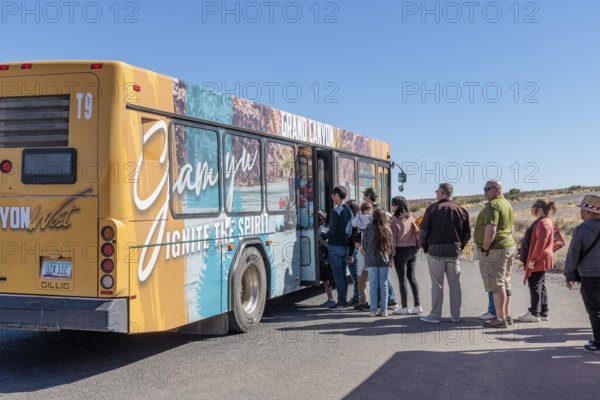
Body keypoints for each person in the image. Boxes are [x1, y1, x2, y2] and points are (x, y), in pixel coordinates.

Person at [418, 183, 471, 323]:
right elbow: (467, 233)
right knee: (455, 284)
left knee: (437, 285)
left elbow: (423, 232)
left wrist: (425, 247)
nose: (436, 194)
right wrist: (461, 247)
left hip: (435, 252)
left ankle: (435, 315)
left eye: (437, 191)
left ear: (441, 193)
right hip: (454, 252)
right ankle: (456, 316)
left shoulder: (432, 209)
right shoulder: (461, 209)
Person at [474, 180, 516, 329]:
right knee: (505, 282)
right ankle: (506, 315)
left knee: (497, 284)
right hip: (507, 247)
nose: (485, 192)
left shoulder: (493, 205)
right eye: (484, 189)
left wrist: (485, 248)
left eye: (487, 189)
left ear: (497, 189)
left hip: (496, 249)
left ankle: (499, 319)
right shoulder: (506, 203)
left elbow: (491, 229)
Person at [564, 194, 600, 355]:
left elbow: (573, 254)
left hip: (590, 276)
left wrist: (569, 274)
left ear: (587, 212)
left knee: (595, 310)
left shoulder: (582, 229)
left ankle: (598, 343)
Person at [518, 199, 557, 322]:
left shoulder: (543, 223)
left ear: (540, 208)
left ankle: (534, 313)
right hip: (542, 258)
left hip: (539, 259)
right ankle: (543, 313)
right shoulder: (544, 221)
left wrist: (533, 260)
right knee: (540, 285)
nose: (531, 208)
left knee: (534, 284)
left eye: (533, 206)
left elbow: (540, 244)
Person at [363, 188, 398, 309]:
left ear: (368, 196)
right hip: (382, 250)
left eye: (364, 196)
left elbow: (365, 243)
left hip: (377, 249)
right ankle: (384, 304)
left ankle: (389, 300)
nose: (363, 199)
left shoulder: (376, 209)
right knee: (382, 279)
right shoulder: (377, 208)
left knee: (379, 280)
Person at [320, 186, 354, 309]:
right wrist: (351, 251)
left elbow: (332, 231)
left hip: (335, 247)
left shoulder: (335, 211)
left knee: (338, 276)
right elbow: (350, 231)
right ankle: (343, 301)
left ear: (337, 196)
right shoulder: (349, 211)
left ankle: (341, 302)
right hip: (345, 247)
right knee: (343, 276)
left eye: (333, 195)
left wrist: (323, 236)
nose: (332, 197)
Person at [389, 196, 422, 315]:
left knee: (402, 279)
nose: (391, 206)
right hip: (413, 250)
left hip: (401, 251)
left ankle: (404, 307)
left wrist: (391, 256)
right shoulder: (411, 217)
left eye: (392, 204)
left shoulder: (393, 221)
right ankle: (417, 305)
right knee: (412, 277)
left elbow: (392, 241)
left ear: (396, 206)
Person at [363, 209, 393, 317]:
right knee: (384, 285)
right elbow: (391, 245)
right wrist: (390, 259)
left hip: (371, 260)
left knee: (373, 285)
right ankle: (384, 310)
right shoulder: (387, 229)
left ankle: (373, 310)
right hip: (384, 260)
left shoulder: (368, 229)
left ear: (373, 217)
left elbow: (365, 245)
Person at [353, 202, 374, 311]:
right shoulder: (373, 219)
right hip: (371, 252)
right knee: (373, 281)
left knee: (361, 279)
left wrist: (358, 216)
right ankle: (374, 302)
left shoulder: (359, 217)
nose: (369, 212)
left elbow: (353, 224)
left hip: (361, 250)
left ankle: (363, 301)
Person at [317, 211, 336, 308]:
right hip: (323, 257)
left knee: (326, 279)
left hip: (323, 258)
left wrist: (321, 242)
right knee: (325, 279)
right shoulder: (322, 228)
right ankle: (330, 299)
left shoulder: (322, 230)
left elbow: (328, 244)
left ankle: (331, 299)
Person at [346, 200, 360, 306]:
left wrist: (350, 254)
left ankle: (357, 298)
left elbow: (352, 240)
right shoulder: (357, 220)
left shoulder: (353, 222)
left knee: (355, 276)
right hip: (355, 250)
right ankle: (356, 296)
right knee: (355, 275)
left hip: (353, 251)